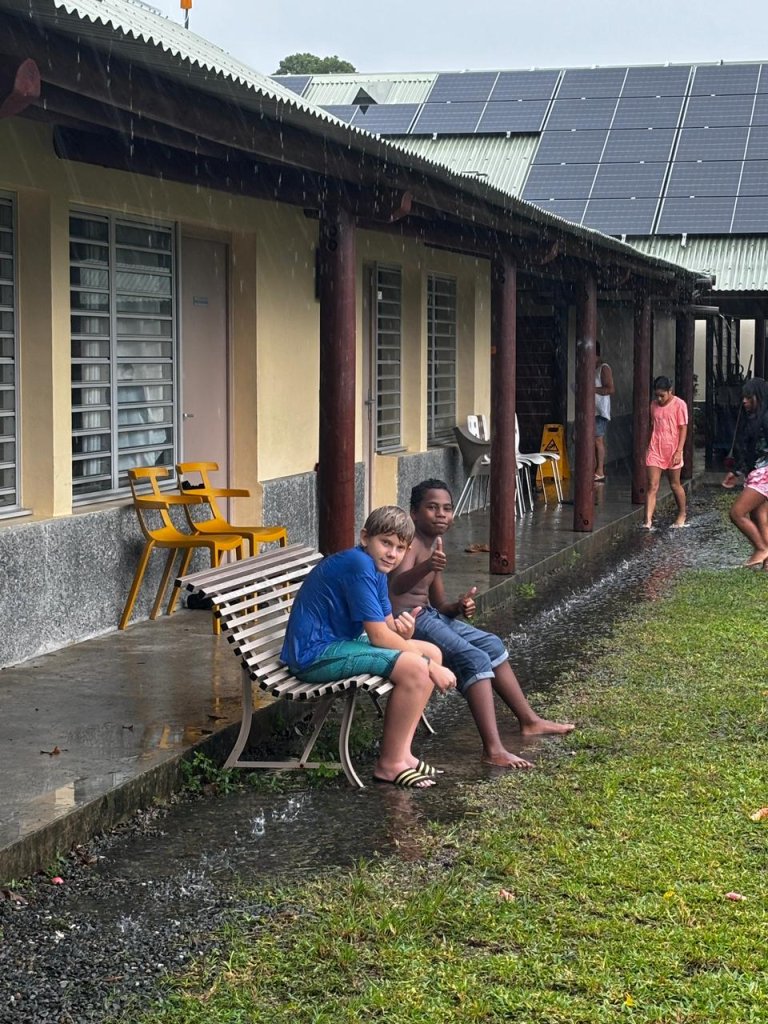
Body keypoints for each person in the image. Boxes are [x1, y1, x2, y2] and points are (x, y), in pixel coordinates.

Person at [388, 480, 575, 770]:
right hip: (408, 621)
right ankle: (493, 749)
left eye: (447, 508)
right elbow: (396, 587)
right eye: (432, 508)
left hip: (430, 614)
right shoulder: (409, 543)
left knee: (491, 644)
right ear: (414, 513)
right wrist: (428, 565)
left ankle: (530, 721)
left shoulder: (435, 545)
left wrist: (460, 606)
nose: (441, 514)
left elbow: (439, 604)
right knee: (473, 658)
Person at [281, 505, 457, 788]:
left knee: (431, 651)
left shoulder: (376, 569)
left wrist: (406, 632)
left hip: (340, 644)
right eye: (385, 543)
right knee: (418, 665)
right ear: (365, 538)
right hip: (314, 654)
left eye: (400, 548)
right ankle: (389, 764)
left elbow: (387, 627)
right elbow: (378, 637)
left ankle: (403, 754)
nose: (392, 553)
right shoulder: (359, 564)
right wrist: (428, 666)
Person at [728, 377, 768, 567]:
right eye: (743, 397)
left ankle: (761, 549)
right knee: (759, 517)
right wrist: (737, 471)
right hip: (756, 472)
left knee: (737, 513)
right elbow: (749, 451)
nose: (744, 401)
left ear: (758, 397)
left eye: (748, 398)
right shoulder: (754, 418)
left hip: (764, 474)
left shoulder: (766, 419)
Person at [641, 376, 688, 530]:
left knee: (674, 484)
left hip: (673, 448)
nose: (659, 399)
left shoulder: (680, 405)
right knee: (652, 485)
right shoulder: (653, 405)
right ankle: (647, 521)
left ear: (670, 391)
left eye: (662, 395)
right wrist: (647, 446)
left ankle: (682, 513)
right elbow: (652, 426)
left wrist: (679, 451)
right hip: (655, 448)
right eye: (657, 395)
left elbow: (683, 428)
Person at [594, 341, 615, 483]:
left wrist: (592, 389)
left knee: (598, 439)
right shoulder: (589, 367)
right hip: (590, 409)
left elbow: (610, 389)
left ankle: (600, 470)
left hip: (600, 410)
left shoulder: (603, 368)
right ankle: (594, 468)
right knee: (589, 440)